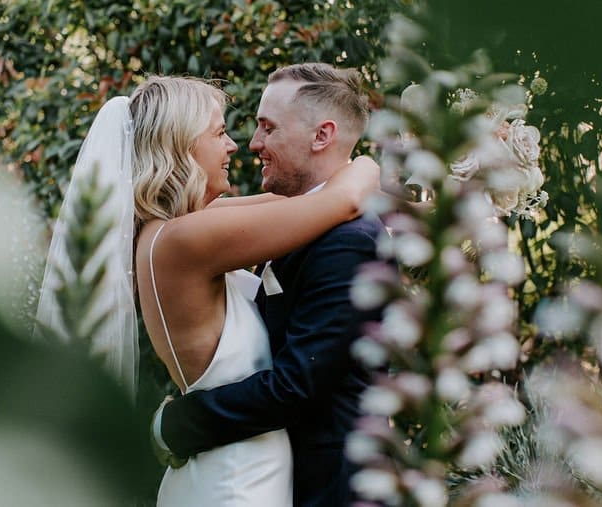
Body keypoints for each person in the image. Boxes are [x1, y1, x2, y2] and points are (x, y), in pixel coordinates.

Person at [38, 74, 380, 506]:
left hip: (238, 464)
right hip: (236, 479)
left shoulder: (177, 230)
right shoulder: (185, 241)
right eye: (219, 133)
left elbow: (310, 198)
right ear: (181, 146)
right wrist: (367, 163)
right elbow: (341, 200)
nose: (236, 145)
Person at [153, 63, 390, 506]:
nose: (253, 143)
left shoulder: (348, 242)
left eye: (268, 127)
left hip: (333, 489)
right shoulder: (298, 221)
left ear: (321, 136)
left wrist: (176, 425)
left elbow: (297, 384)